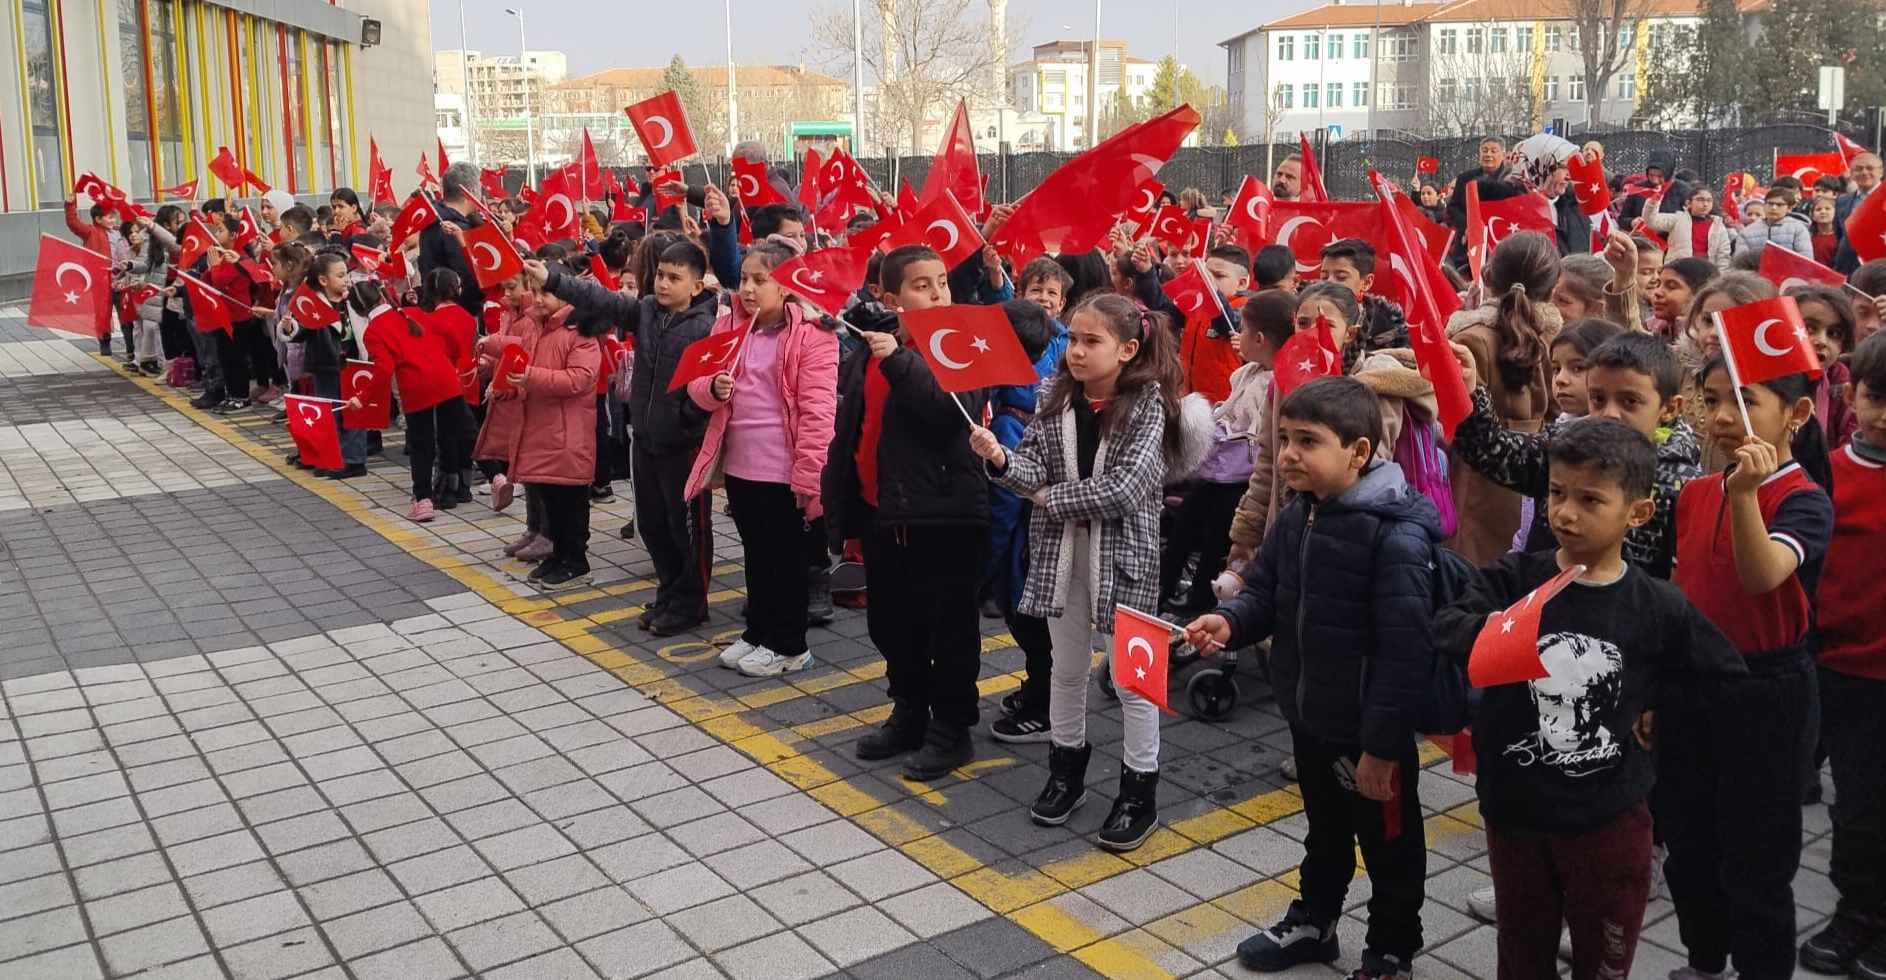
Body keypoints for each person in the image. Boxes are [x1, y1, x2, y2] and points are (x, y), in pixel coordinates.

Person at [1432, 418, 1745, 980]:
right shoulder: (1516, 577)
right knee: (1522, 955)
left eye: (1590, 499)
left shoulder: (1656, 605)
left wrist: (1657, 710)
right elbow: (1448, 628)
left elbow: (1724, 677)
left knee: (1604, 959)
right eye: (1556, 493)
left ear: (1637, 513)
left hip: (1609, 821)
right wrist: (1508, 634)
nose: (1566, 512)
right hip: (1516, 813)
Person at [1188, 376, 1440, 980]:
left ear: (1358, 452)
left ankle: (1392, 948)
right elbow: (1268, 592)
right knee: (1325, 830)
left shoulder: (1395, 537)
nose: (1290, 454)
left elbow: (1406, 656)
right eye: (1284, 438)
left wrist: (1381, 749)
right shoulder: (1302, 512)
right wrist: (1228, 621)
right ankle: (1316, 923)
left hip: (1369, 734)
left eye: (1308, 441)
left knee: (1390, 846)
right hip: (1311, 716)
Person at [970, 293, 1186, 851]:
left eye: (1093, 342)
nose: (1077, 352)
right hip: (1061, 560)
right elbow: (1031, 470)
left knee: (1135, 683)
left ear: (1128, 349)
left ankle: (1140, 792)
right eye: (1074, 340)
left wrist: (1045, 496)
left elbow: (1125, 490)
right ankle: (1066, 771)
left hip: (1129, 567)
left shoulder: (1149, 405)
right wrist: (999, 459)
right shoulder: (1054, 396)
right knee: (1066, 672)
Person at [1661, 356, 1834, 980]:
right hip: (1692, 683)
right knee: (1689, 845)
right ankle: (1705, 962)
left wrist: (1741, 496)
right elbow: (1683, 594)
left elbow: (1763, 576)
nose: (1724, 418)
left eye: (1746, 402)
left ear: (1797, 413)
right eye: (1712, 400)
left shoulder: (1804, 499)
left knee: (1757, 860)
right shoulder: (1696, 493)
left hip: (1767, 690)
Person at [824, 245, 990, 782]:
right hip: (882, 513)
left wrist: (898, 359)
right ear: (888, 297)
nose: (939, 293)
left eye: (942, 282)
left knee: (949, 625)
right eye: (923, 285)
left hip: (940, 515)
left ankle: (953, 727)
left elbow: (945, 413)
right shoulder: (868, 349)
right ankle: (910, 709)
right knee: (892, 622)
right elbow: (852, 426)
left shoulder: (960, 344)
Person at [531, 241, 720, 633]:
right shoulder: (647, 311)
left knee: (688, 530)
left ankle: (692, 604)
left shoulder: (708, 325)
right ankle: (668, 593)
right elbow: (601, 298)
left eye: (674, 278)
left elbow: (711, 386)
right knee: (652, 525)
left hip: (683, 446)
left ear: (697, 286)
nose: (663, 284)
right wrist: (553, 280)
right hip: (646, 441)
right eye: (660, 276)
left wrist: (686, 419)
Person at [680, 243, 841, 676]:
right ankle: (759, 631)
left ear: (786, 287)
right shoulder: (728, 324)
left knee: (786, 557)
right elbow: (696, 379)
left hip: (784, 467)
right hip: (739, 463)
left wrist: (809, 476)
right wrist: (712, 388)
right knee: (756, 552)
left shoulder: (813, 334)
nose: (748, 289)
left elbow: (819, 412)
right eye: (745, 279)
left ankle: (790, 644)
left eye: (760, 280)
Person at [1799, 330, 1886, 978]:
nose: (1884, 414)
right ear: (1852, 393)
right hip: (1844, 675)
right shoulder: (1830, 473)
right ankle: (1856, 912)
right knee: (1856, 808)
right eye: (1876, 397)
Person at [1159, 290, 1293, 619]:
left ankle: (1204, 591)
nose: (1236, 335)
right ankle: (1163, 581)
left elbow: (1256, 429)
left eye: (1242, 329)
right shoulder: (1249, 372)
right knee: (1188, 514)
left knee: (1220, 524)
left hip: (1244, 473)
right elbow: (1228, 410)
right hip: (1223, 467)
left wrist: (1218, 429)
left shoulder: (1275, 382)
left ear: (1258, 338)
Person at [1224, 283, 1368, 565]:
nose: (1312, 332)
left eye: (1326, 325)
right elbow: (1267, 461)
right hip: (1284, 531)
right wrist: (1246, 533)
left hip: (1343, 541)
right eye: (1303, 323)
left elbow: (1369, 472)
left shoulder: (1368, 388)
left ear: (1350, 334)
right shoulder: (1281, 382)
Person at [1446, 232, 1560, 565]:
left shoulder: (1471, 338)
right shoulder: (1557, 337)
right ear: (1553, 291)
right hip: (1536, 480)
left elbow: (1451, 416)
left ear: (1486, 277)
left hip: (1478, 485)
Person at [496, 267, 606, 590]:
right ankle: (558, 555)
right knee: (549, 499)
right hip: (541, 431)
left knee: (570, 500)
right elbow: (518, 356)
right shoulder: (535, 326)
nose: (539, 299)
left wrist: (530, 377)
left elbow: (579, 380)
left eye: (546, 293)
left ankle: (577, 561)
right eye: (536, 292)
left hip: (567, 434)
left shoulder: (580, 329)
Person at [347, 281, 468, 523]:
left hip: (415, 389)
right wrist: (453, 358)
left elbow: (384, 369)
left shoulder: (372, 332)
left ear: (358, 312)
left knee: (421, 445)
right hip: (446, 379)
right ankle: (495, 476)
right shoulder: (411, 313)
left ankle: (423, 501)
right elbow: (449, 332)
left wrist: (363, 398)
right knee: (462, 432)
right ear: (383, 296)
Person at [475, 274, 548, 557]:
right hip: (513, 401)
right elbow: (507, 355)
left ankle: (546, 532)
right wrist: (488, 365)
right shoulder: (511, 312)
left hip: (528, 401)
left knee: (537, 472)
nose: (506, 293)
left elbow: (521, 348)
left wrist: (493, 344)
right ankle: (533, 527)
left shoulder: (535, 315)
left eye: (512, 287)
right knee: (525, 469)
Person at [1677, 272, 1774, 475]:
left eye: (1729, 322)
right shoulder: (1680, 364)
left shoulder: (1771, 385)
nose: (1713, 333)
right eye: (1708, 321)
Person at [288, 252, 368, 479]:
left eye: (346, 274)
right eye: (340, 275)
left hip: (353, 364)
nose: (345, 279)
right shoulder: (312, 303)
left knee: (353, 412)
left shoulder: (355, 299)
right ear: (323, 280)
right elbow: (299, 332)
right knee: (330, 414)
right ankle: (332, 457)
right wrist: (289, 327)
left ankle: (354, 459)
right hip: (324, 364)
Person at [420, 267, 481, 505]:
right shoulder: (468, 317)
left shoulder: (431, 320)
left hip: (444, 383)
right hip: (469, 379)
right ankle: (465, 486)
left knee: (445, 437)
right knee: (465, 435)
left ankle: (447, 488)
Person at [1788, 283, 1860, 448]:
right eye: (1809, 328)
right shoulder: (1763, 379)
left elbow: (1851, 447)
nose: (1821, 341)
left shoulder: (1844, 384)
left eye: (1833, 333)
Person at [1320, 239, 1411, 357]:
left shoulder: (1388, 331)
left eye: (1341, 277)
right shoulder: (1305, 318)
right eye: (1324, 277)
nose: (1329, 283)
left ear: (1367, 282)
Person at [419, 163, 487, 317]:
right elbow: (466, 274)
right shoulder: (453, 229)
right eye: (480, 189)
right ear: (471, 192)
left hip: (434, 308)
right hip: (458, 312)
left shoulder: (432, 221)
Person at [1446, 138, 1510, 268]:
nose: (1488, 155)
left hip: (1498, 243)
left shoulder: (1509, 179)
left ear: (1503, 155)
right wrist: (1468, 225)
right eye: (1485, 151)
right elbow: (1453, 208)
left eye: (1494, 151)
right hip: (1467, 242)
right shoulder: (1465, 178)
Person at [1647, 187, 1734, 270]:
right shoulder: (1678, 219)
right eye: (1700, 200)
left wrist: (1720, 276)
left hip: (1706, 272)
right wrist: (1653, 203)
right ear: (1688, 203)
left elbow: (1723, 255)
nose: (1705, 204)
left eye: (1709, 200)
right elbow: (1652, 221)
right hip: (1678, 270)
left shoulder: (1718, 225)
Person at [1834, 153, 1884, 273]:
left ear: (1881, 172)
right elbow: (1840, 235)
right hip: (1848, 269)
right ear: (1852, 174)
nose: (1864, 172)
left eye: (1870, 168)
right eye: (1858, 169)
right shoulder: (1842, 201)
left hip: (1880, 268)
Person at [1743, 188, 1814, 257]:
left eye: (1779, 205)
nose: (1774, 208)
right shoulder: (1748, 231)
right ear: (1764, 205)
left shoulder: (1798, 229)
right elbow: (1739, 262)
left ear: (1790, 208)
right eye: (1770, 204)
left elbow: (1806, 261)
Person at [1810, 196, 1841, 268]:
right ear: (1812, 216)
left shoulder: (1840, 238)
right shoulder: (1808, 237)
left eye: (1827, 209)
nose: (1823, 212)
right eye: (1818, 209)